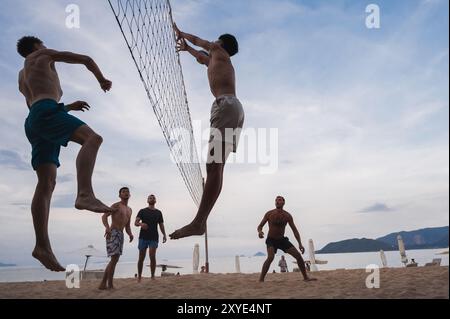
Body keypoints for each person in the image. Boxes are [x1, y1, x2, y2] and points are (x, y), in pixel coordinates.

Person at [16, 36, 114, 271]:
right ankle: (84, 194)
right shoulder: (43, 55)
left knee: (46, 184)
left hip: (34, 120)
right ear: (38, 46)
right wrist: (102, 80)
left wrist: (67, 107)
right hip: (46, 112)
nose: (46, 46)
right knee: (93, 138)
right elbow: (86, 59)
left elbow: (37, 104)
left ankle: (42, 246)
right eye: (44, 43)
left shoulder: (22, 76)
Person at [169, 24, 245, 240]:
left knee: (213, 166)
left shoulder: (218, 51)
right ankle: (199, 221)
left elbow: (201, 42)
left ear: (221, 43)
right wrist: (187, 49)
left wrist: (182, 34)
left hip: (226, 106)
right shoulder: (216, 61)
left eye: (215, 41)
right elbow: (201, 56)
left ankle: (198, 222)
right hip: (233, 109)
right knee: (215, 167)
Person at [257, 196, 316, 282]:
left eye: (279, 200)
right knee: (270, 257)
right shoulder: (269, 213)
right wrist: (260, 232)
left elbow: (295, 231)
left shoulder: (287, 216)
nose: (277, 201)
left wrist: (300, 244)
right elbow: (260, 226)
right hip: (271, 240)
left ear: (283, 203)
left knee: (298, 256)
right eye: (276, 200)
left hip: (282, 240)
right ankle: (261, 279)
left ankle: (305, 277)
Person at [99, 187, 134, 290]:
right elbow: (104, 216)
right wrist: (107, 228)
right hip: (113, 233)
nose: (126, 193)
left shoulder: (130, 210)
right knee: (114, 259)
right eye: (123, 192)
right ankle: (109, 284)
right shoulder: (116, 205)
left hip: (121, 234)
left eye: (127, 192)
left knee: (115, 259)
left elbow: (127, 226)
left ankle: (103, 284)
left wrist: (130, 234)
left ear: (130, 195)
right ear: (120, 195)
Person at [135, 194, 167, 281]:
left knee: (152, 256)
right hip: (143, 237)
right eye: (150, 198)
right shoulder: (142, 211)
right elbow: (136, 222)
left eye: (153, 198)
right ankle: (139, 277)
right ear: (147, 200)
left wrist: (164, 234)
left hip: (154, 237)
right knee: (141, 257)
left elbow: (161, 225)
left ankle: (152, 276)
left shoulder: (158, 212)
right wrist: (141, 224)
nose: (151, 199)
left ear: (155, 201)